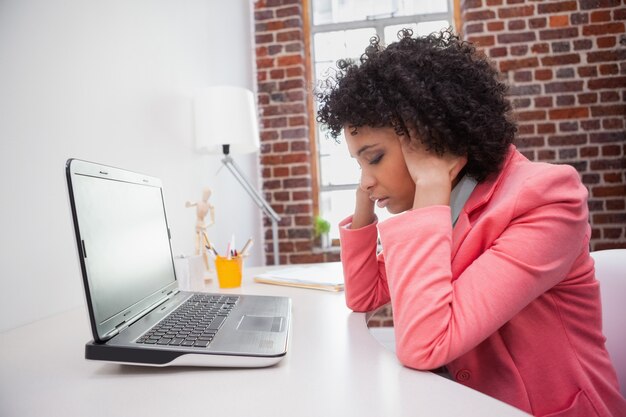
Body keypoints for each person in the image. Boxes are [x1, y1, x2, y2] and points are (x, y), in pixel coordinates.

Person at [316, 28, 626, 417]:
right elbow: (364, 296)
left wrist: (428, 183)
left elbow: (423, 345)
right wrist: (367, 197)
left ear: (431, 140)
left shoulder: (548, 199)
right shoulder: (440, 205)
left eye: (374, 157)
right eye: (356, 162)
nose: (365, 178)